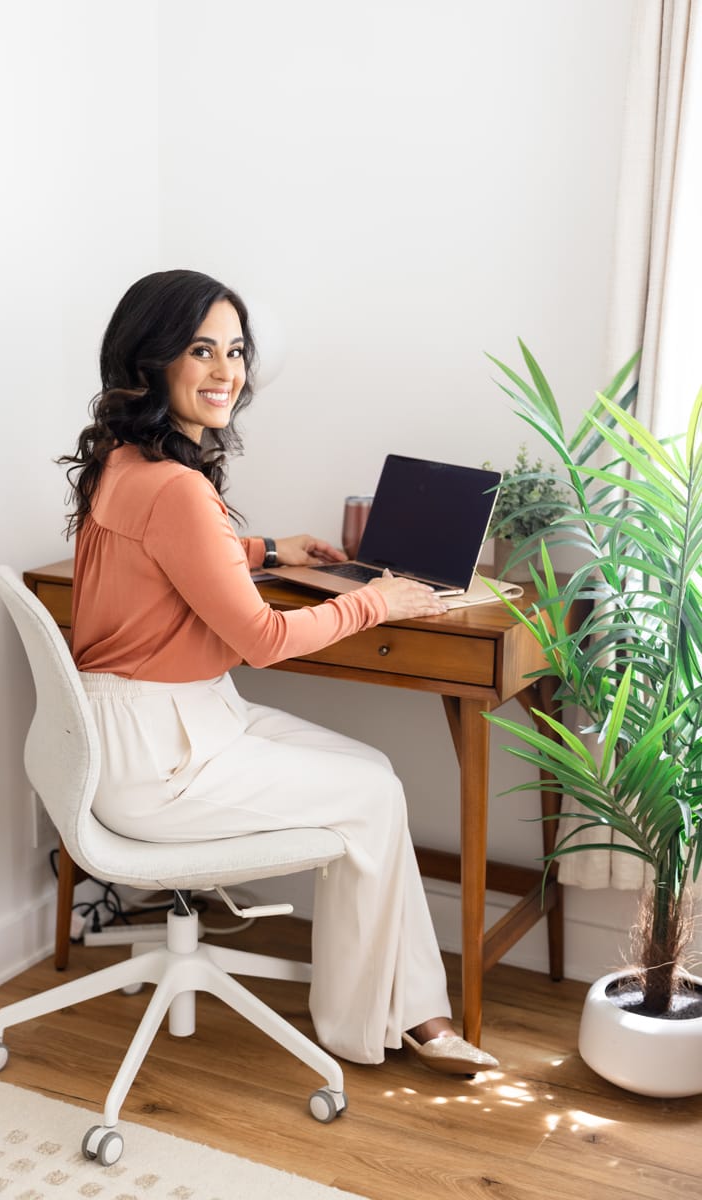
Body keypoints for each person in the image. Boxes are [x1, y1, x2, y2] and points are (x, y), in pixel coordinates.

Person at [59, 268, 498, 1075]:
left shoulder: (123, 466)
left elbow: (172, 555)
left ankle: (407, 1009)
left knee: (373, 773)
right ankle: (384, 1024)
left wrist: (267, 550)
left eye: (235, 351)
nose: (227, 371)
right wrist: (381, 602)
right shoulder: (176, 488)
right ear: (152, 360)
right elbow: (261, 638)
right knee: (375, 794)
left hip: (149, 729)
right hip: (165, 756)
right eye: (202, 350)